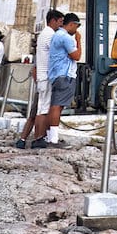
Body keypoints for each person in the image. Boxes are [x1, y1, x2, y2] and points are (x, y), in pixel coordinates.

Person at [15, 9, 63, 149]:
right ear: (53, 20)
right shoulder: (50, 35)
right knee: (43, 109)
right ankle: (38, 138)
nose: (61, 25)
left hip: (41, 75)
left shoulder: (43, 34)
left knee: (36, 110)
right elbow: (55, 55)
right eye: (60, 22)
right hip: (46, 76)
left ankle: (23, 139)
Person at [40, 13, 82, 148]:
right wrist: (79, 41)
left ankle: (49, 135)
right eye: (77, 25)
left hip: (56, 74)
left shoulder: (56, 35)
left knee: (55, 105)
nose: (77, 29)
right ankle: (53, 139)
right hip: (64, 75)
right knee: (57, 106)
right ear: (71, 24)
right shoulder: (66, 37)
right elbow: (76, 56)